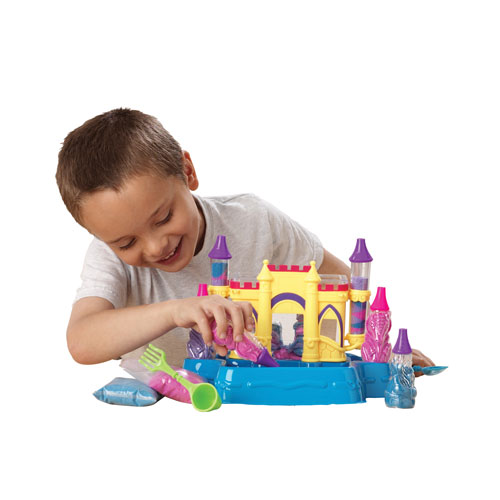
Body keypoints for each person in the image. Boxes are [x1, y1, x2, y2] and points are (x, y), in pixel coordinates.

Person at [56, 108, 433, 373]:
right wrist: (175, 311)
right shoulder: (107, 256)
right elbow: (82, 341)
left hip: (262, 389)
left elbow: (342, 286)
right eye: (126, 243)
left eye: (164, 218)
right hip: (168, 402)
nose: (155, 247)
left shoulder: (254, 221)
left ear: (187, 171)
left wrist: (379, 353)